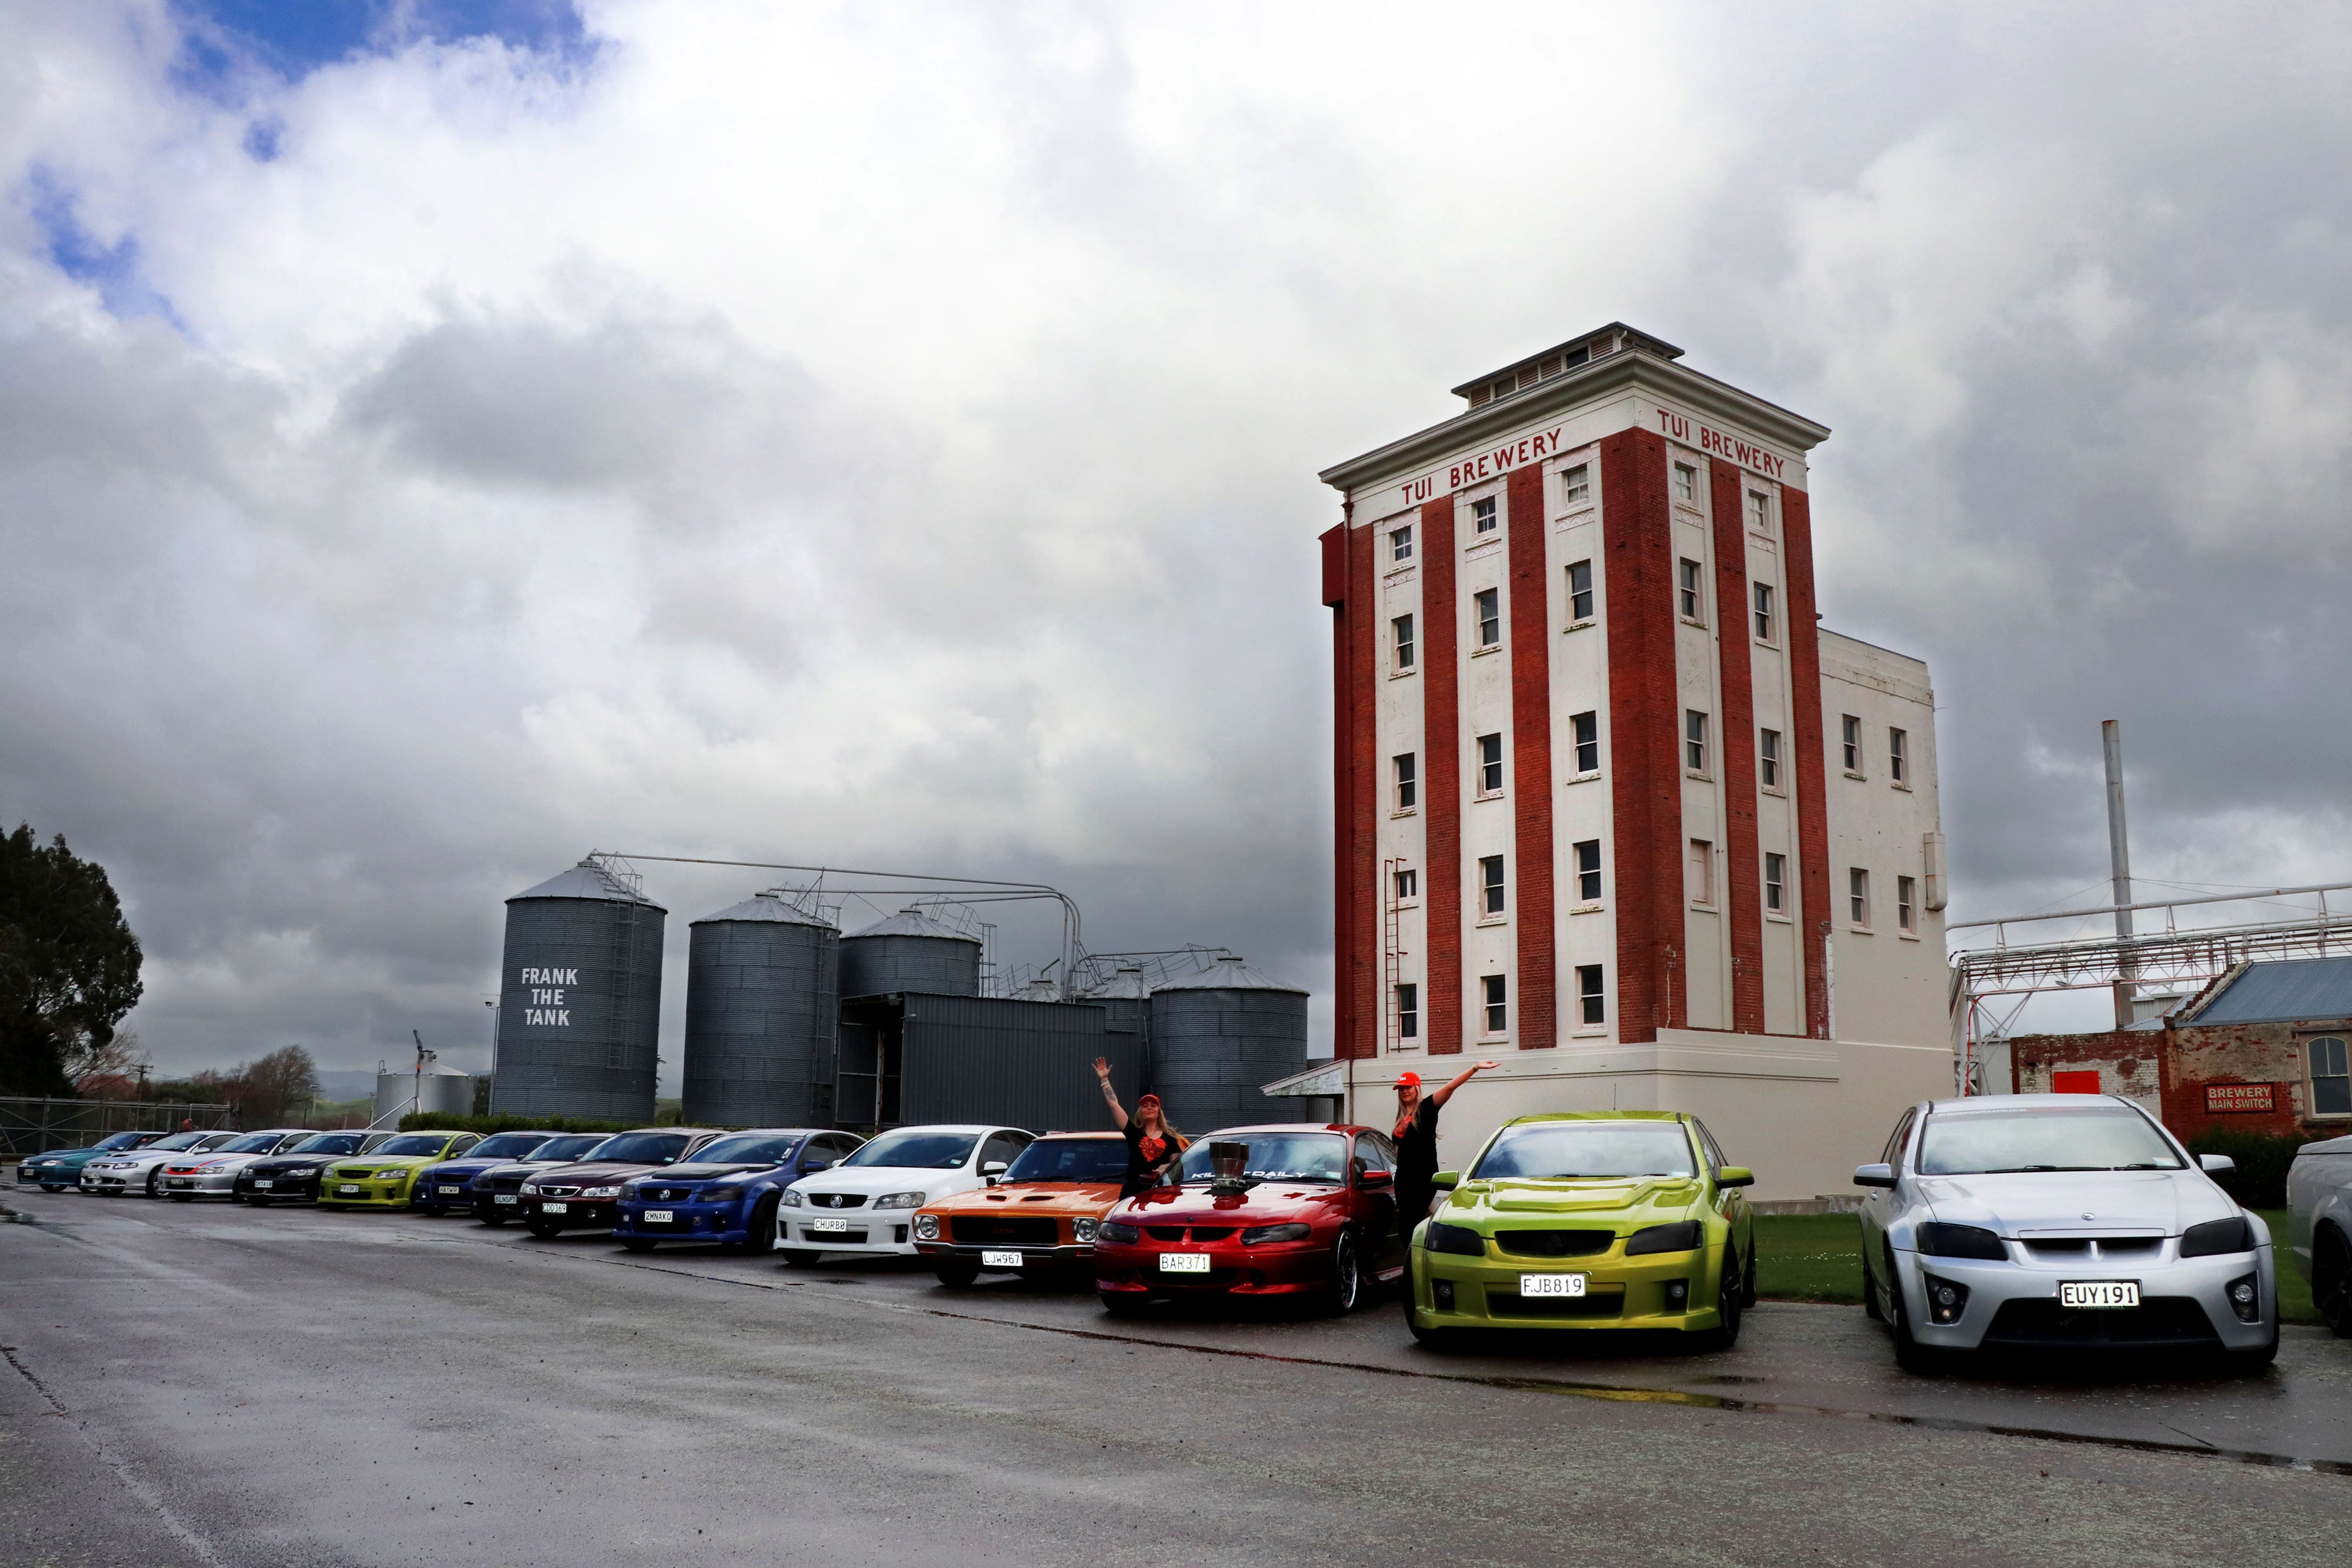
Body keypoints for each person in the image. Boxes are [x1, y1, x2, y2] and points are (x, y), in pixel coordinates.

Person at [1392, 1061, 1498, 1239]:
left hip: (1422, 1179)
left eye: (1408, 1087)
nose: (1405, 1091)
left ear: (1417, 1088)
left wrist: (1474, 1068)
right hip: (1404, 1181)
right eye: (1401, 1089)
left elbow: (1450, 1087)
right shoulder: (1401, 1119)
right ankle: (1411, 1262)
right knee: (1405, 1229)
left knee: (1411, 1227)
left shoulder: (1426, 1108)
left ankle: (1418, 1261)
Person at [1092, 1057, 1188, 1196]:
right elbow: (1114, 1105)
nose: (1149, 1108)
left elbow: (1177, 1166)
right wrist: (1104, 1080)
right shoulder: (1134, 1133)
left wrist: (1165, 1167)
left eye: (1153, 1105)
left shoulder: (1170, 1138)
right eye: (1145, 1106)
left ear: (1159, 1112)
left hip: (1160, 1192)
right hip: (1132, 1191)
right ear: (1141, 1112)